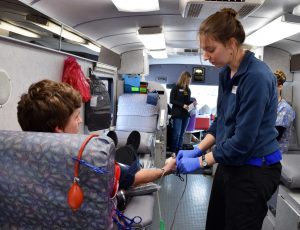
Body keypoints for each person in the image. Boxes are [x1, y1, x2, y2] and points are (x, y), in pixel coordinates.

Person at [176, 8, 282, 230]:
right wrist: (198, 148)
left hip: (254, 171)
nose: (206, 56)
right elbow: (221, 121)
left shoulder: (257, 77)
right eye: (204, 50)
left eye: (211, 49)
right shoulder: (225, 73)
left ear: (232, 44)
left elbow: (243, 142)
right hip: (230, 163)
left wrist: (200, 162)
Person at [17, 79, 176, 191]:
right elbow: (135, 178)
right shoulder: (91, 160)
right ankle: (130, 146)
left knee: (116, 152)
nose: (80, 121)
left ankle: (114, 143)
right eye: (76, 116)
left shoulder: (15, 155)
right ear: (58, 128)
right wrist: (164, 170)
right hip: (120, 170)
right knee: (127, 154)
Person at [170, 71, 197, 153]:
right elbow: (172, 100)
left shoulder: (188, 90)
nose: (189, 82)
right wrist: (182, 105)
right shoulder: (175, 88)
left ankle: (179, 151)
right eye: (188, 80)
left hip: (185, 114)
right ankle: (173, 151)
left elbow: (187, 101)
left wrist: (193, 103)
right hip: (177, 114)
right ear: (184, 79)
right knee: (176, 134)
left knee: (182, 134)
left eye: (190, 80)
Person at [274, 69, 296, 154]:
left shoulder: (285, 109)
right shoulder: (269, 106)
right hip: (264, 150)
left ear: (280, 87)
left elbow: (275, 136)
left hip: (276, 153)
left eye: (272, 86)